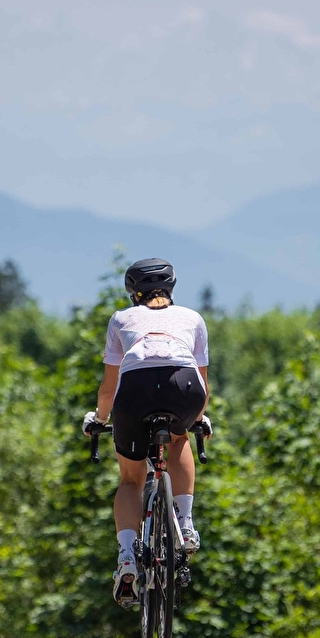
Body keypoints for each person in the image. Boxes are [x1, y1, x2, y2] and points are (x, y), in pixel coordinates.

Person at [83, 258, 211, 607]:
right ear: (171, 288)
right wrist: (198, 418)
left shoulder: (121, 319)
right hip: (184, 386)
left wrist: (99, 419)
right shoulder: (192, 318)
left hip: (135, 390)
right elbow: (203, 384)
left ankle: (127, 556)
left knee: (130, 480)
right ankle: (186, 524)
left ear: (132, 292)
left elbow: (109, 388)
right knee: (180, 438)